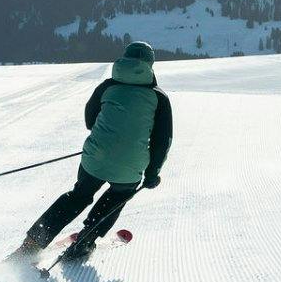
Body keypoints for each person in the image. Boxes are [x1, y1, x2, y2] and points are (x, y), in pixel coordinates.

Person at [15, 41, 173, 263]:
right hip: (131, 165)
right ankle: (86, 240)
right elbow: (162, 141)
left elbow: (90, 120)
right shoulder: (159, 97)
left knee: (78, 196)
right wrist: (152, 173)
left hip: (95, 156)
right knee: (117, 197)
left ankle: (32, 244)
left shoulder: (107, 86)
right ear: (150, 65)